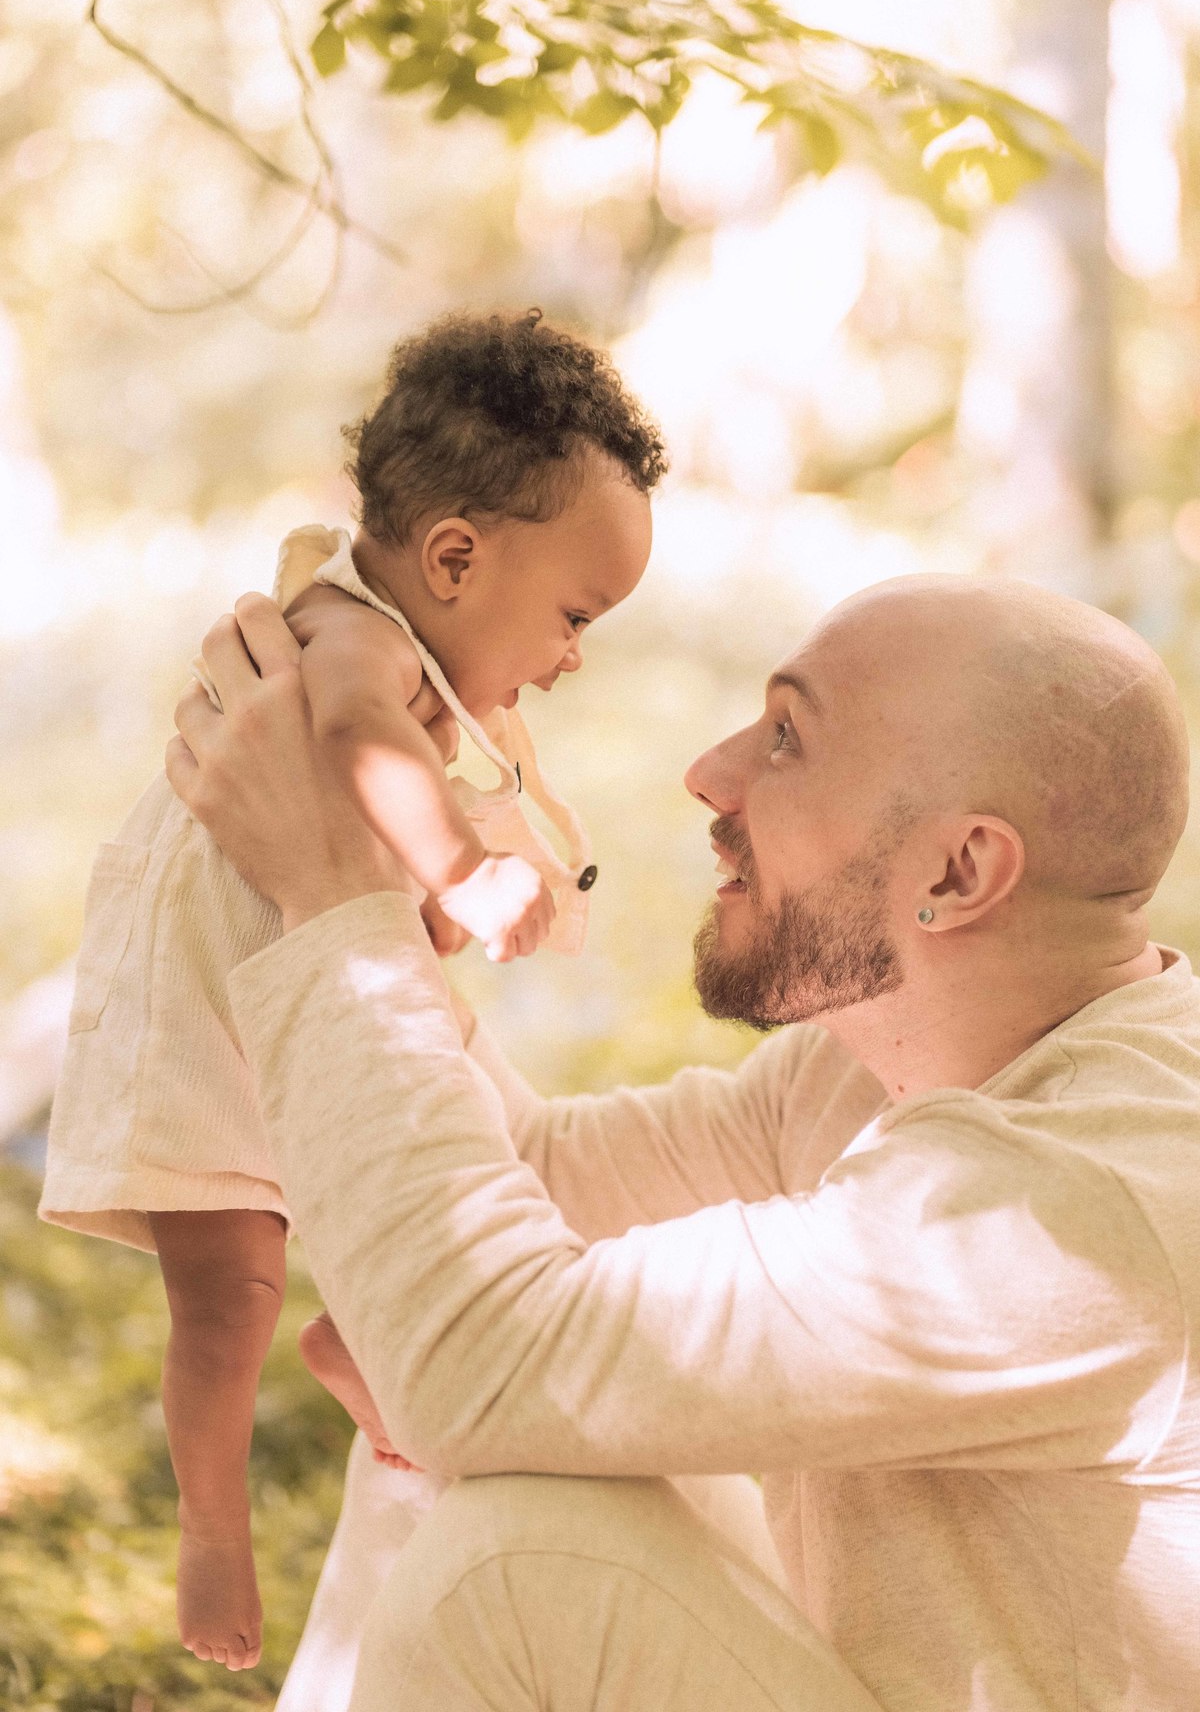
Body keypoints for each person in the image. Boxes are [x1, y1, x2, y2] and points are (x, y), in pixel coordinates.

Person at [168, 567, 1200, 1712]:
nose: (711, 772)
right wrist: (352, 858)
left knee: (523, 1551)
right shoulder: (886, 1061)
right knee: (498, 1402)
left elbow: (477, 1352)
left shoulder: (1071, 1215)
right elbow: (529, 1189)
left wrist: (333, 903)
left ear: (958, 873)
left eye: (787, 739)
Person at [38, 310, 662, 1671]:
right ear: (453, 557)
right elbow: (368, 744)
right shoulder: (351, 640)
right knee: (228, 1291)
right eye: (574, 617)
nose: (570, 659)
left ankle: (368, 1345)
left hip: (300, 967)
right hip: (202, 997)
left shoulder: (404, 646)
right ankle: (212, 1529)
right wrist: (458, 874)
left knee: (419, 1158)